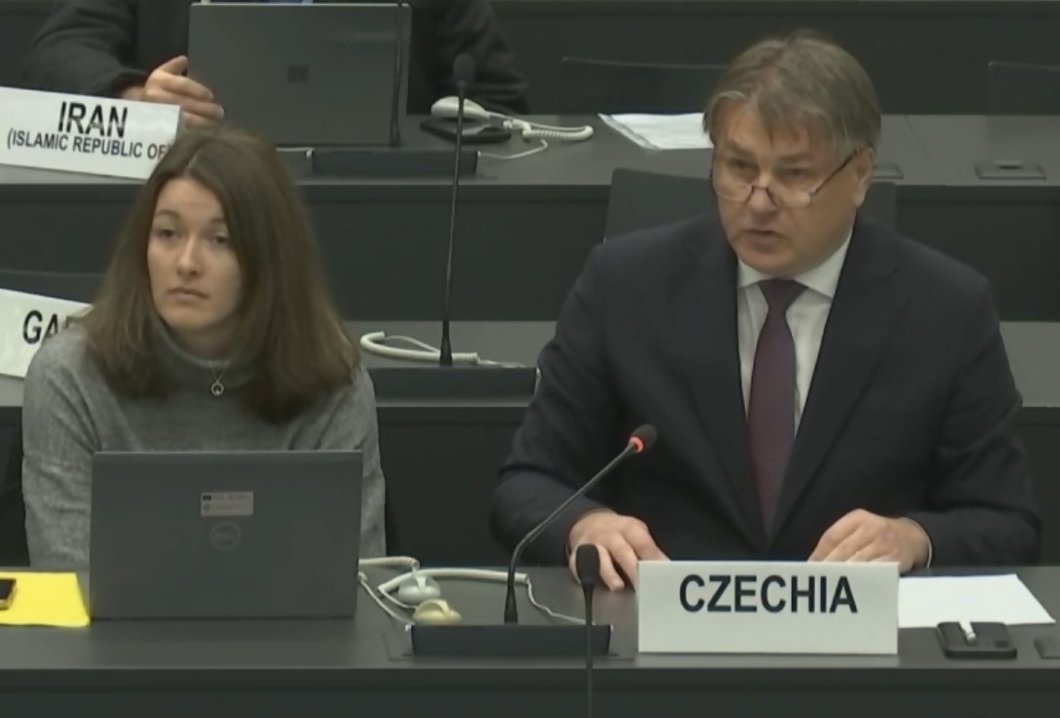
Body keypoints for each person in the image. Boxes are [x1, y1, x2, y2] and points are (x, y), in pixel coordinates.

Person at [491, 31, 1040, 590]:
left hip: (854, 629)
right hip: (662, 621)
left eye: (794, 175)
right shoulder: (625, 287)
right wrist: (585, 524)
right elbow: (529, 481)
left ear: (859, 176)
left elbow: (1007, 522)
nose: (758, 201)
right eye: (739, 168)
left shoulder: (945, 309)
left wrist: (915, 538)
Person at [22, 124, 386, 568]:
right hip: (113, 619)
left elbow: (357, 580)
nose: (187, 263)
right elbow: (69, 577)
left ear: (270, 258)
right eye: (167, 234)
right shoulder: (70, 376)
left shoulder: (334, 386)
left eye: (220, 240)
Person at [21, 0, 529, 126]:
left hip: (374, 202)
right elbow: (59, 49)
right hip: (191, 185)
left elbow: (495, 99)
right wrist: (136, 98)